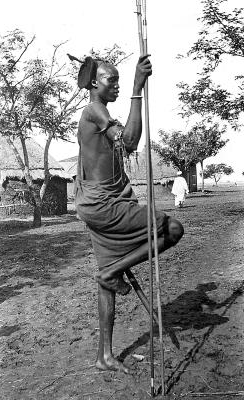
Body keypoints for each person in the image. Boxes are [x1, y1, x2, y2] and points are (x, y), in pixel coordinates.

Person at [74, 55, 184, 373]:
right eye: (112, 80)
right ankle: (113, 271)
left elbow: (121, 145)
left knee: (107, 280)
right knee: (172, 229)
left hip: (94, 206)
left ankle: (104, 356)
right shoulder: (94, 110)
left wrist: (133, 86)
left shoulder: (100, 112)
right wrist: (138, 86)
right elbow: (130, 142)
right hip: (106, 206)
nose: (118, 85)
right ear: (95, 83)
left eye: (121, 80)